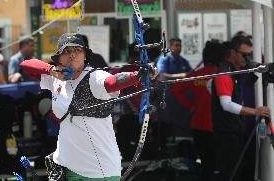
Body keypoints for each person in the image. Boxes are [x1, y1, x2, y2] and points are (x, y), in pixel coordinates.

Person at [20, 33, 157, 181]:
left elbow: (112, 82)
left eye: (77, 50)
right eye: (66, 51)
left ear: (85, 55)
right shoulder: (55, 79)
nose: (72, 54)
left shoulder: (95, 77)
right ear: (59, 58)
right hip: (67, 168)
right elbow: (26, 65)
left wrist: (137, 75)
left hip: (98, 171)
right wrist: (51, 70)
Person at [211, 35, 271, 181]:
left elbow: (209, 87)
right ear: (233, 52)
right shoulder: (225, 72)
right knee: (230, 173)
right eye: (244, 54)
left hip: (235, 130)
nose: (247, 57)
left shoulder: (237, 68)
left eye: (249, 54)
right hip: (226, 133)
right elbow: (226, 104)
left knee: (240, 171)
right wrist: (255, 111)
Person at [170, 40, 228, 181]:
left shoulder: (197, 74)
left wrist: (190, 106)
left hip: (198, 125)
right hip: (220, 126)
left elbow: (175, 90)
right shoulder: (223, 75)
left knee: (206, 164)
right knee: (222, 165)